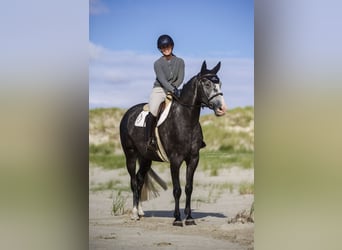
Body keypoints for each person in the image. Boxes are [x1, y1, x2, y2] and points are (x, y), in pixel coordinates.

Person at [145, 34, 184, 151]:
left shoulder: (180, 61)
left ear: (172, 46)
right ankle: (150, 139)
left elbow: (180, 78)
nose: (166, 48)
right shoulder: (157, 63)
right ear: (160, 49)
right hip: (159, 90)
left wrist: (175, 89)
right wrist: (172, 90)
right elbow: (162, 80)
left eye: (168, 46)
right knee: (153, 110)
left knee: (188, 107)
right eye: (163, 47)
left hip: (175, 89)